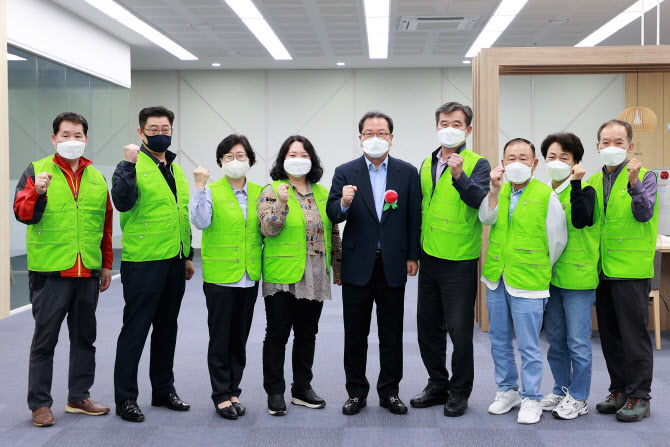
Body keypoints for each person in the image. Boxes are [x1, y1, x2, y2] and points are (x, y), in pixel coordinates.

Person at [14, 112, 113, 427]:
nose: (73, 140)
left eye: (79, 135)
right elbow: (22, 213)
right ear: (54, 138)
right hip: (50, 273)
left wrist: (107, 265)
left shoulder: (97, 177)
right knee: (45, 340)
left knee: (85, 338)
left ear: (86, 139)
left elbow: (105, 225)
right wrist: (37, 192)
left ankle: (78, 397)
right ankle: (40, 404)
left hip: (87, 272)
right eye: (66, 135)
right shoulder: (37, 170)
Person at [327, 111, 421, 416]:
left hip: (393, 263)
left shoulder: (407, 173)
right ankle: (356, 392)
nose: (375, 138)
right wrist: (343, 202)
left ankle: (390, 391)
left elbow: (412, 217)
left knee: (391, 333)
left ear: (391, 139)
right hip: (357, 262)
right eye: (369, 133)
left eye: (382, 133)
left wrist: (412, 256)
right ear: (360, 139)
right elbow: (333, 213)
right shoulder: (345, 172)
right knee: (355, 332)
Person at [111, 106, 195, 423]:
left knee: (166, 329)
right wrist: (129, 165)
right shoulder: (131, 165)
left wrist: (186, 256)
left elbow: (180, 214)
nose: (160, 133)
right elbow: (122, 201)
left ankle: (162, 390)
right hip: (143, 262)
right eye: (153, 128)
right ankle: (126, 398)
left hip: (174, 262)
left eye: (165, 128)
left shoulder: (176, 168)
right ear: (141, 132)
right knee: (135, 330)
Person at [479, 138, 567, 425]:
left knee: (529, 344)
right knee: (499, 340)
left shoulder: (545, 195)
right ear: (503, 163)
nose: (517, 163)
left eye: (523, 158)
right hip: (497, 277)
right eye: (511, 158)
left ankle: (531, 397)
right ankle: (508, 390)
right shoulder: (500, 191)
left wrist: (539, 266)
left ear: (534, 163)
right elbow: (485, 217)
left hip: (529, 279)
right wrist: (493, 190)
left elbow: (557, 240)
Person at [411, 102, 491, 417]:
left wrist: (459, 176)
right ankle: (437, 384)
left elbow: (479, 203)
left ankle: (459, 392)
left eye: (457, 123)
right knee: (427, 328)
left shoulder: (477, 163)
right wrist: (414, 254)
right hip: (429, 257)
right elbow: (422, 209)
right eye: (445, 122)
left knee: (459, 330)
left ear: (468, 130)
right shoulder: (426, 163)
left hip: (459, 260)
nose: (450, 128)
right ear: (437, 126)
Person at [257, 135, 342, 416]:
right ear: (283, 160)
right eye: (292, 154)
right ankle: (275, 391)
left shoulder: (321, 192)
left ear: (312, 160)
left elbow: (333, 232)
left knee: (307, 334)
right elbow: (268, 229)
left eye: (303, 154)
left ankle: (302, 388)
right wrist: (281, 203)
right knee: (278, 333)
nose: (298, 159)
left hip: (315, 272)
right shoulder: (272, 190)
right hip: (283, 274)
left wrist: (338, 267)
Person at [588, 119, 658, 423]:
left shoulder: (646, 177)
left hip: (630, 270)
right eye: (606, 142)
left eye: (618, 142)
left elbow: (644, 213)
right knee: (610, 336)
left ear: (629, 147)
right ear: (598, 146)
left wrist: (633, 182)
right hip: (602, 269)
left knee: (634, 337)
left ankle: (639, 396)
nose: (611, 147)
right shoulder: (591, 180)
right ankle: (618, 391)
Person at [190, 134, 261, 420]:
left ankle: (233, 390)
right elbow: (200, 221)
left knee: (239, 339)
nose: (235, 161)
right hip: (221, 277)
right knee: (220, 339)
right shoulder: (211, 190)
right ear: (220, 161)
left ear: (250, 160)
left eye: (241, 156)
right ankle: (220, 395)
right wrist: (199, 187)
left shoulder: (260, 191)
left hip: (249, 275)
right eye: (229, 156)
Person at [538, 133, 600, 420]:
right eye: (552, 157)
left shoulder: (585, 191)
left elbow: (580, 219)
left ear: (576, 162)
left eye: (565, 158)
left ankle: (579, 397)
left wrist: (575, 182)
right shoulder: (544, 193)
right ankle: (561, 388)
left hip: (577, 278)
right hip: (551, 279)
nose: (557, 162)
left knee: (577, 341)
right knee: (555, 340)